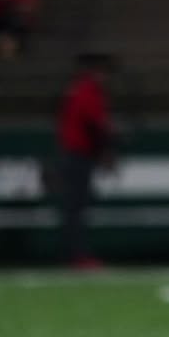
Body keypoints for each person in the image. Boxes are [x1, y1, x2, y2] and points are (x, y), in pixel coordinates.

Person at [52, 52, 118, 270]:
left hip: (75, 155)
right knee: (75, 209)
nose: (105, 78)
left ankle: (74, 255)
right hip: (77, 156)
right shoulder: (88, 91)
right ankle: (76, 256)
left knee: (75, 209)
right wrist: (106, 149)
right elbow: (94, 124)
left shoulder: (80, 89)